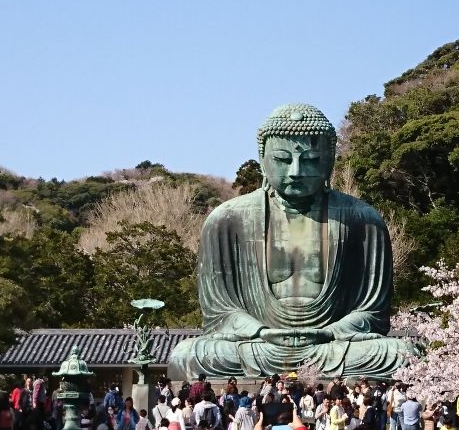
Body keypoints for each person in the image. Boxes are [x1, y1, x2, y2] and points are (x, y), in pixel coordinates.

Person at [168, 104, 415, 379]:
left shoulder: (362, 219)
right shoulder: (227, 219)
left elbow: (372, 312)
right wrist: (261, 331)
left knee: (402, 355)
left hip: (331, 345)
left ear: (329, 162)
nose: (296, 171)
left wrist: (329, 332)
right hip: (258, 345)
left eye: (310, 160)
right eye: (283, 160)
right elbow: (220, 312)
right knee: (187, 356)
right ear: (263, 160)